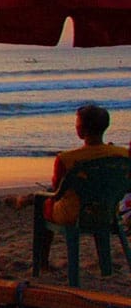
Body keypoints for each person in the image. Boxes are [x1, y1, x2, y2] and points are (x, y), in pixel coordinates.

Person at [7, 104, 128, 268]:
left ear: (81, 130)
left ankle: (42, 262)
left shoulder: (66, 158)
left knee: (44, 203)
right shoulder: (123, 155)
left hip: (74, 214)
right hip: (108, 211)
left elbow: (57, 191)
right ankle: (105, 263)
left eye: (77, 123)